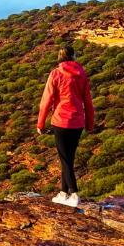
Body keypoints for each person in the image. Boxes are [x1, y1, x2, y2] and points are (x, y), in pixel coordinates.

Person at [36, 46, 95, 207]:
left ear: (60, 58)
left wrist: (40, 123)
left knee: (65, 160)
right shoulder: (82, 74)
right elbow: (88, 101)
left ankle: (74, 195)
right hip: (77, 123)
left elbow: (46, 100)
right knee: (68, 159)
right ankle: (63, 193)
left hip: (61, 122)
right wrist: (89, 123)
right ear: (73, 56)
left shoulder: (56, 74)